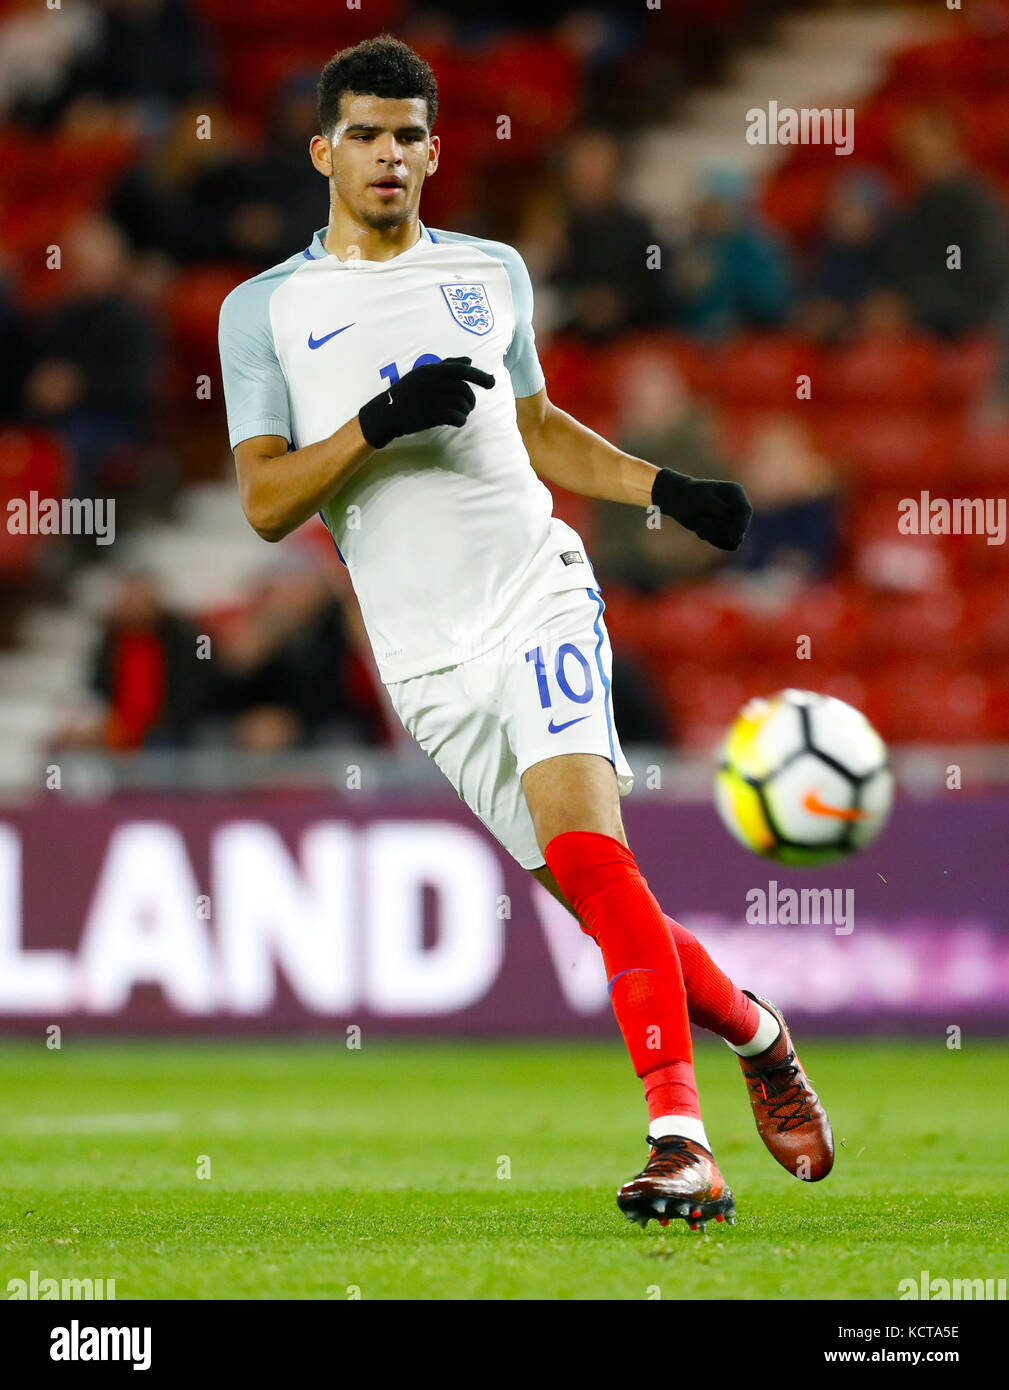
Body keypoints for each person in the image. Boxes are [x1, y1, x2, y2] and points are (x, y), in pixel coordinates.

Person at [217, 35, 833, 1230]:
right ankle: (761, 1033)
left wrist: (666, 490)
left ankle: (680, 1144)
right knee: (604, 904)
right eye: (365, 134)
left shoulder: (492, 272)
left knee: (595, 855)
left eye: (407, 136)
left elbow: (537, 425)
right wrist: (375, 423)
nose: (388, 154)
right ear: (321, 150)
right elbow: (263, 501)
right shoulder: (266, 314)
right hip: (424, 656)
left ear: (435, 151)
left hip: (534, 589)